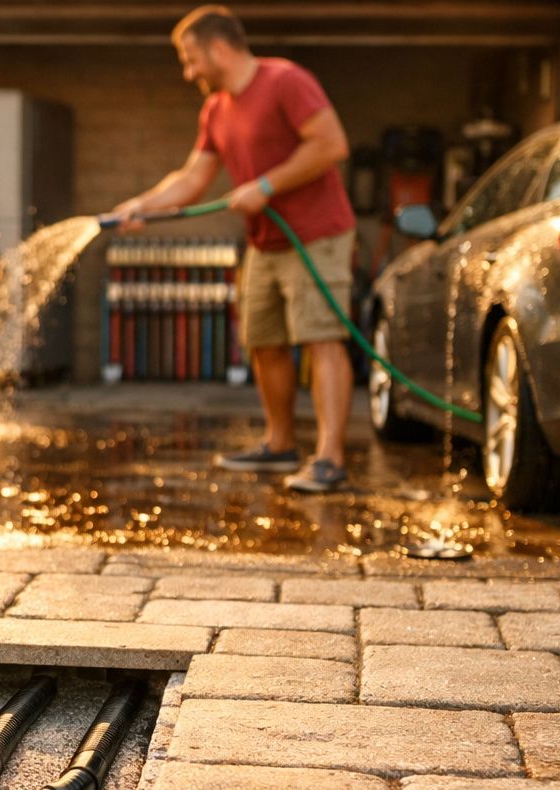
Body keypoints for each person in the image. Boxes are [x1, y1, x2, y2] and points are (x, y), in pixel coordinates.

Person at [111, 4, 356, 493]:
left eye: (191, 59)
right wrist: (142, 206)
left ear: (219, 48)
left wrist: (266, 184)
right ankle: (279, 443)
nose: (188, 72)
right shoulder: (216, 108)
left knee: (321, 337)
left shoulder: (285, 80)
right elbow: (193, 176)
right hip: (264, 240)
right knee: (263, 341)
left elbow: (331, 144)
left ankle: (329, 458)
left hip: (317, 233)